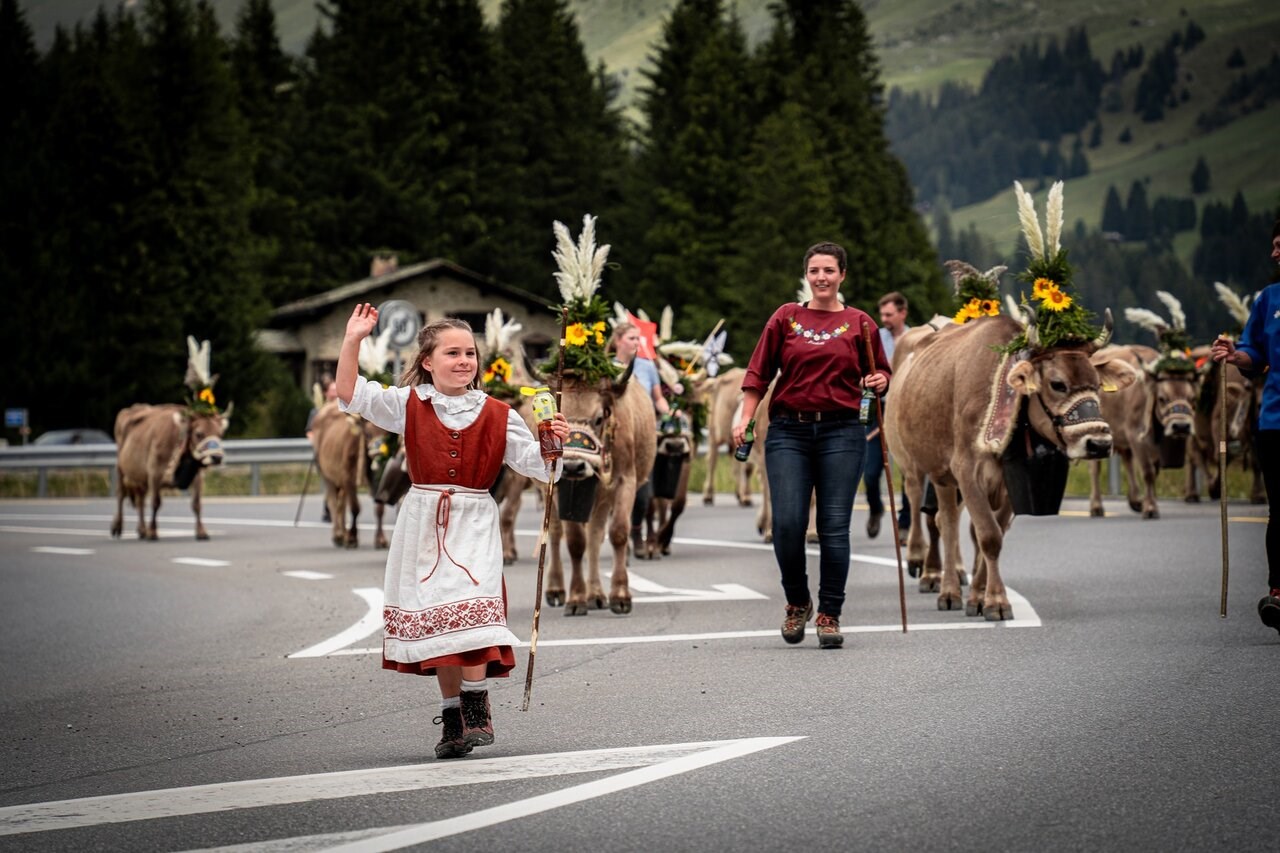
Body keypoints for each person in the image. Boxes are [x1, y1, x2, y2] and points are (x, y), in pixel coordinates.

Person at [335, 304, 570, 758]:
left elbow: (542, 470)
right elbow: (350, 392)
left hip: (475, 520)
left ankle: (476, 703)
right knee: (439, 624)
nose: (464, 361)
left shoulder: (499, 413)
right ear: (427, 362)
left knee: (473, 613)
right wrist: (353, 340)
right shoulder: (408, 404)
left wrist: (552, 442)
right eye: (453, 353)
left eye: (470, 354)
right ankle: (452, 719)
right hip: (422, 521)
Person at [733, 242, 891, 648]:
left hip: (843, 432)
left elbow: (880, 373)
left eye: (829, 270)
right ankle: (798, 601)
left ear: (842, 275)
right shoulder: (786, 317)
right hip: (789, 430)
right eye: (815, 270)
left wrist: (879, 381)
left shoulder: (860, 323)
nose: (822, 277)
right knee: (787, 524)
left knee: (833, 527)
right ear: (807, 274)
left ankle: (829, 614)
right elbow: (758, 373)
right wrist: (745, 417)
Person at [1210, 218, 1280, 636]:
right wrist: (1237, 355)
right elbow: (1255, 351)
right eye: (1274, 245)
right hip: (1275, 421)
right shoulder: (1269, 299)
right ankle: (1279, 592)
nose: (1274, 253)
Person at [610, 322, 675, 553]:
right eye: (631, 338)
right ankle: (620, 532)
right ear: (617, 341)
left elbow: (658, 398)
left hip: (642, 433)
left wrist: (669, 412)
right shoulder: (607, 367)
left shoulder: (647, 367)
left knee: (642, 492)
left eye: (638, 339)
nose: (637, 343)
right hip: (615, 433)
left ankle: (636, 532)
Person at [863, 292, 911, 540]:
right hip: (878, 411)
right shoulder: (875, 338)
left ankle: (905, 523)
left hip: (905, 411)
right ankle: (876, 508)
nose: (884, 319)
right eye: (882, 314)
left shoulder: (915, 338)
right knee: (870, 473)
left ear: (903, 313)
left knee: (908, 471)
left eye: (889, 314)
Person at [306, 375, 339, 522]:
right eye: (332, 390)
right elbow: (310, 431)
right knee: (329, 481)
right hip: (324, 453)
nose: (335, 393)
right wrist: (317, 443)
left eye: (337, 389)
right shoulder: (318, 411)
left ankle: (334, 507)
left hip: (339, 452)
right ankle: (329, 507)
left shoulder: (343, 409)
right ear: (326, 392)